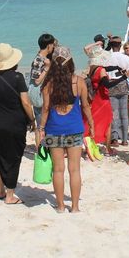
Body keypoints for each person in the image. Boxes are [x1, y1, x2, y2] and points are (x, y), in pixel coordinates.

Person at [40, 48, 95, 213]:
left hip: (54, 130)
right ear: (70, 62)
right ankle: (75, 207)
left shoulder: (48, 85)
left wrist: (40, 128)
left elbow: (45, 109)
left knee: (57, 169)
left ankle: (61, 206)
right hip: (74, 130)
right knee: (74, 169)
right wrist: (91, 124)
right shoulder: (79, 82)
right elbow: (85, 106)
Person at [0, 43, 35, 205]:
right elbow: (26, 103)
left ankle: (1, 191)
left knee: (1, 156)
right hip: (16, 122)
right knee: (14, 158)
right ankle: (10, 195)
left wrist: (1, 112)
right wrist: (32, 119)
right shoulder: (17, 77)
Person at [83, 39, 114, 155]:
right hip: (103, 98)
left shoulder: (92, 69)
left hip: (95, 98)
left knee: (94, 120)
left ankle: (91, 141)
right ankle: (107, 148)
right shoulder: (101, 70)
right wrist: (123, 78)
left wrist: (96, 44)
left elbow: (85, 48)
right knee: (108, 122)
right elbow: (107, 85)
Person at [28, 33, 56, 147]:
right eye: (53, 45)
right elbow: (37, 81)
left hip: (43, 94)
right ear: (49, 45)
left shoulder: (42, 58)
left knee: (43, 123)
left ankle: (43, 148)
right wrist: (47, 68)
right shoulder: (39, 60)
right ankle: (40, 149)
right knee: (41, 124)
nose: (53, 47)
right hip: (39, 95)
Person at [105, 36, 129, 147]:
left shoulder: (107, 58)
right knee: (124, 113)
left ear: (111, 46)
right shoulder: (125, 58)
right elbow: (128, 72)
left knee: (114, 113)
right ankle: (125, 139)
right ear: (120, 45)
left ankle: (115, 138)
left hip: (112, 85)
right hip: (123, 85)